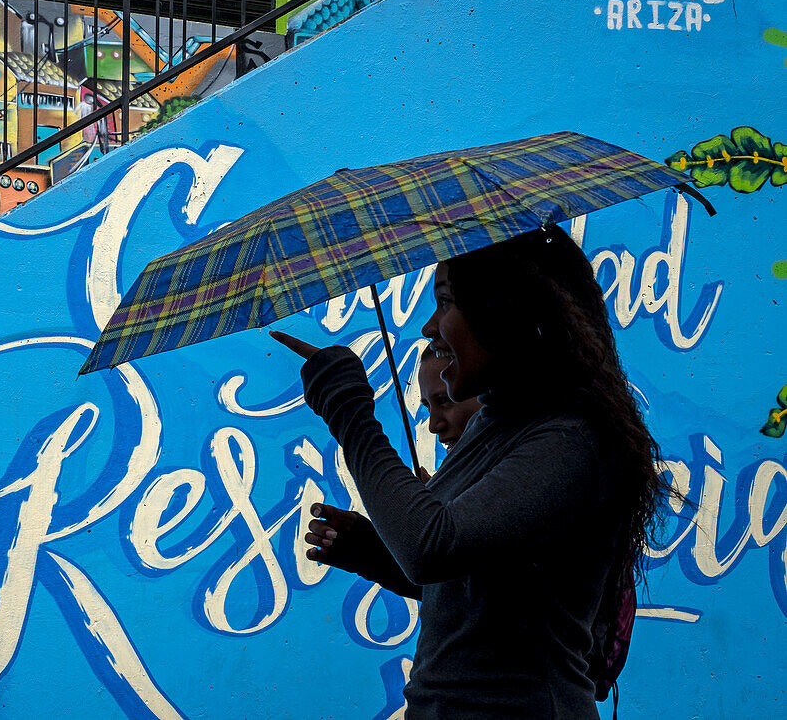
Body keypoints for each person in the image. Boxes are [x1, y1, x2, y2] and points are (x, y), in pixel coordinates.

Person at [271, 226, 667, 719]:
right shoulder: (497, 422)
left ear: (505, 308)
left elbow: (431, 547)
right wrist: (376, 555)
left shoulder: (572, 438)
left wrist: (348, 410)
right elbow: (483, 590)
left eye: (446, 302)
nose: (431, 328)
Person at [287, 345, 483, 599]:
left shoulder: (533, 467)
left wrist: (344, 402)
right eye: (427, 406)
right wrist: (369, 551)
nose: (434, 425)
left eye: (445, 400)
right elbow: (467, 598)